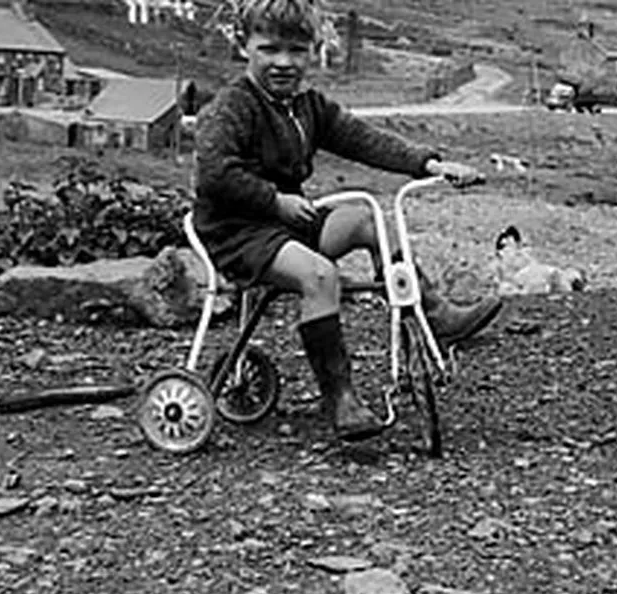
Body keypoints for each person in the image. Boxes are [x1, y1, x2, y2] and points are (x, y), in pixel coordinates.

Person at [193, 0, 502, 442]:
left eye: (297, 50)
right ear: (244, 46)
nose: (284, 62)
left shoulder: (307, 106)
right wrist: (275, 201)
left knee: (367, 221)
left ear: (312, 51)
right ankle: (340, 399)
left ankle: (435, 315)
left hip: (288, 222)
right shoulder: (232, 107)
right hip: (238, 232)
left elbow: (362, 139)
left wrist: (430, 165)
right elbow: (215, 174)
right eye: (269, 49)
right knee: (321, 276)